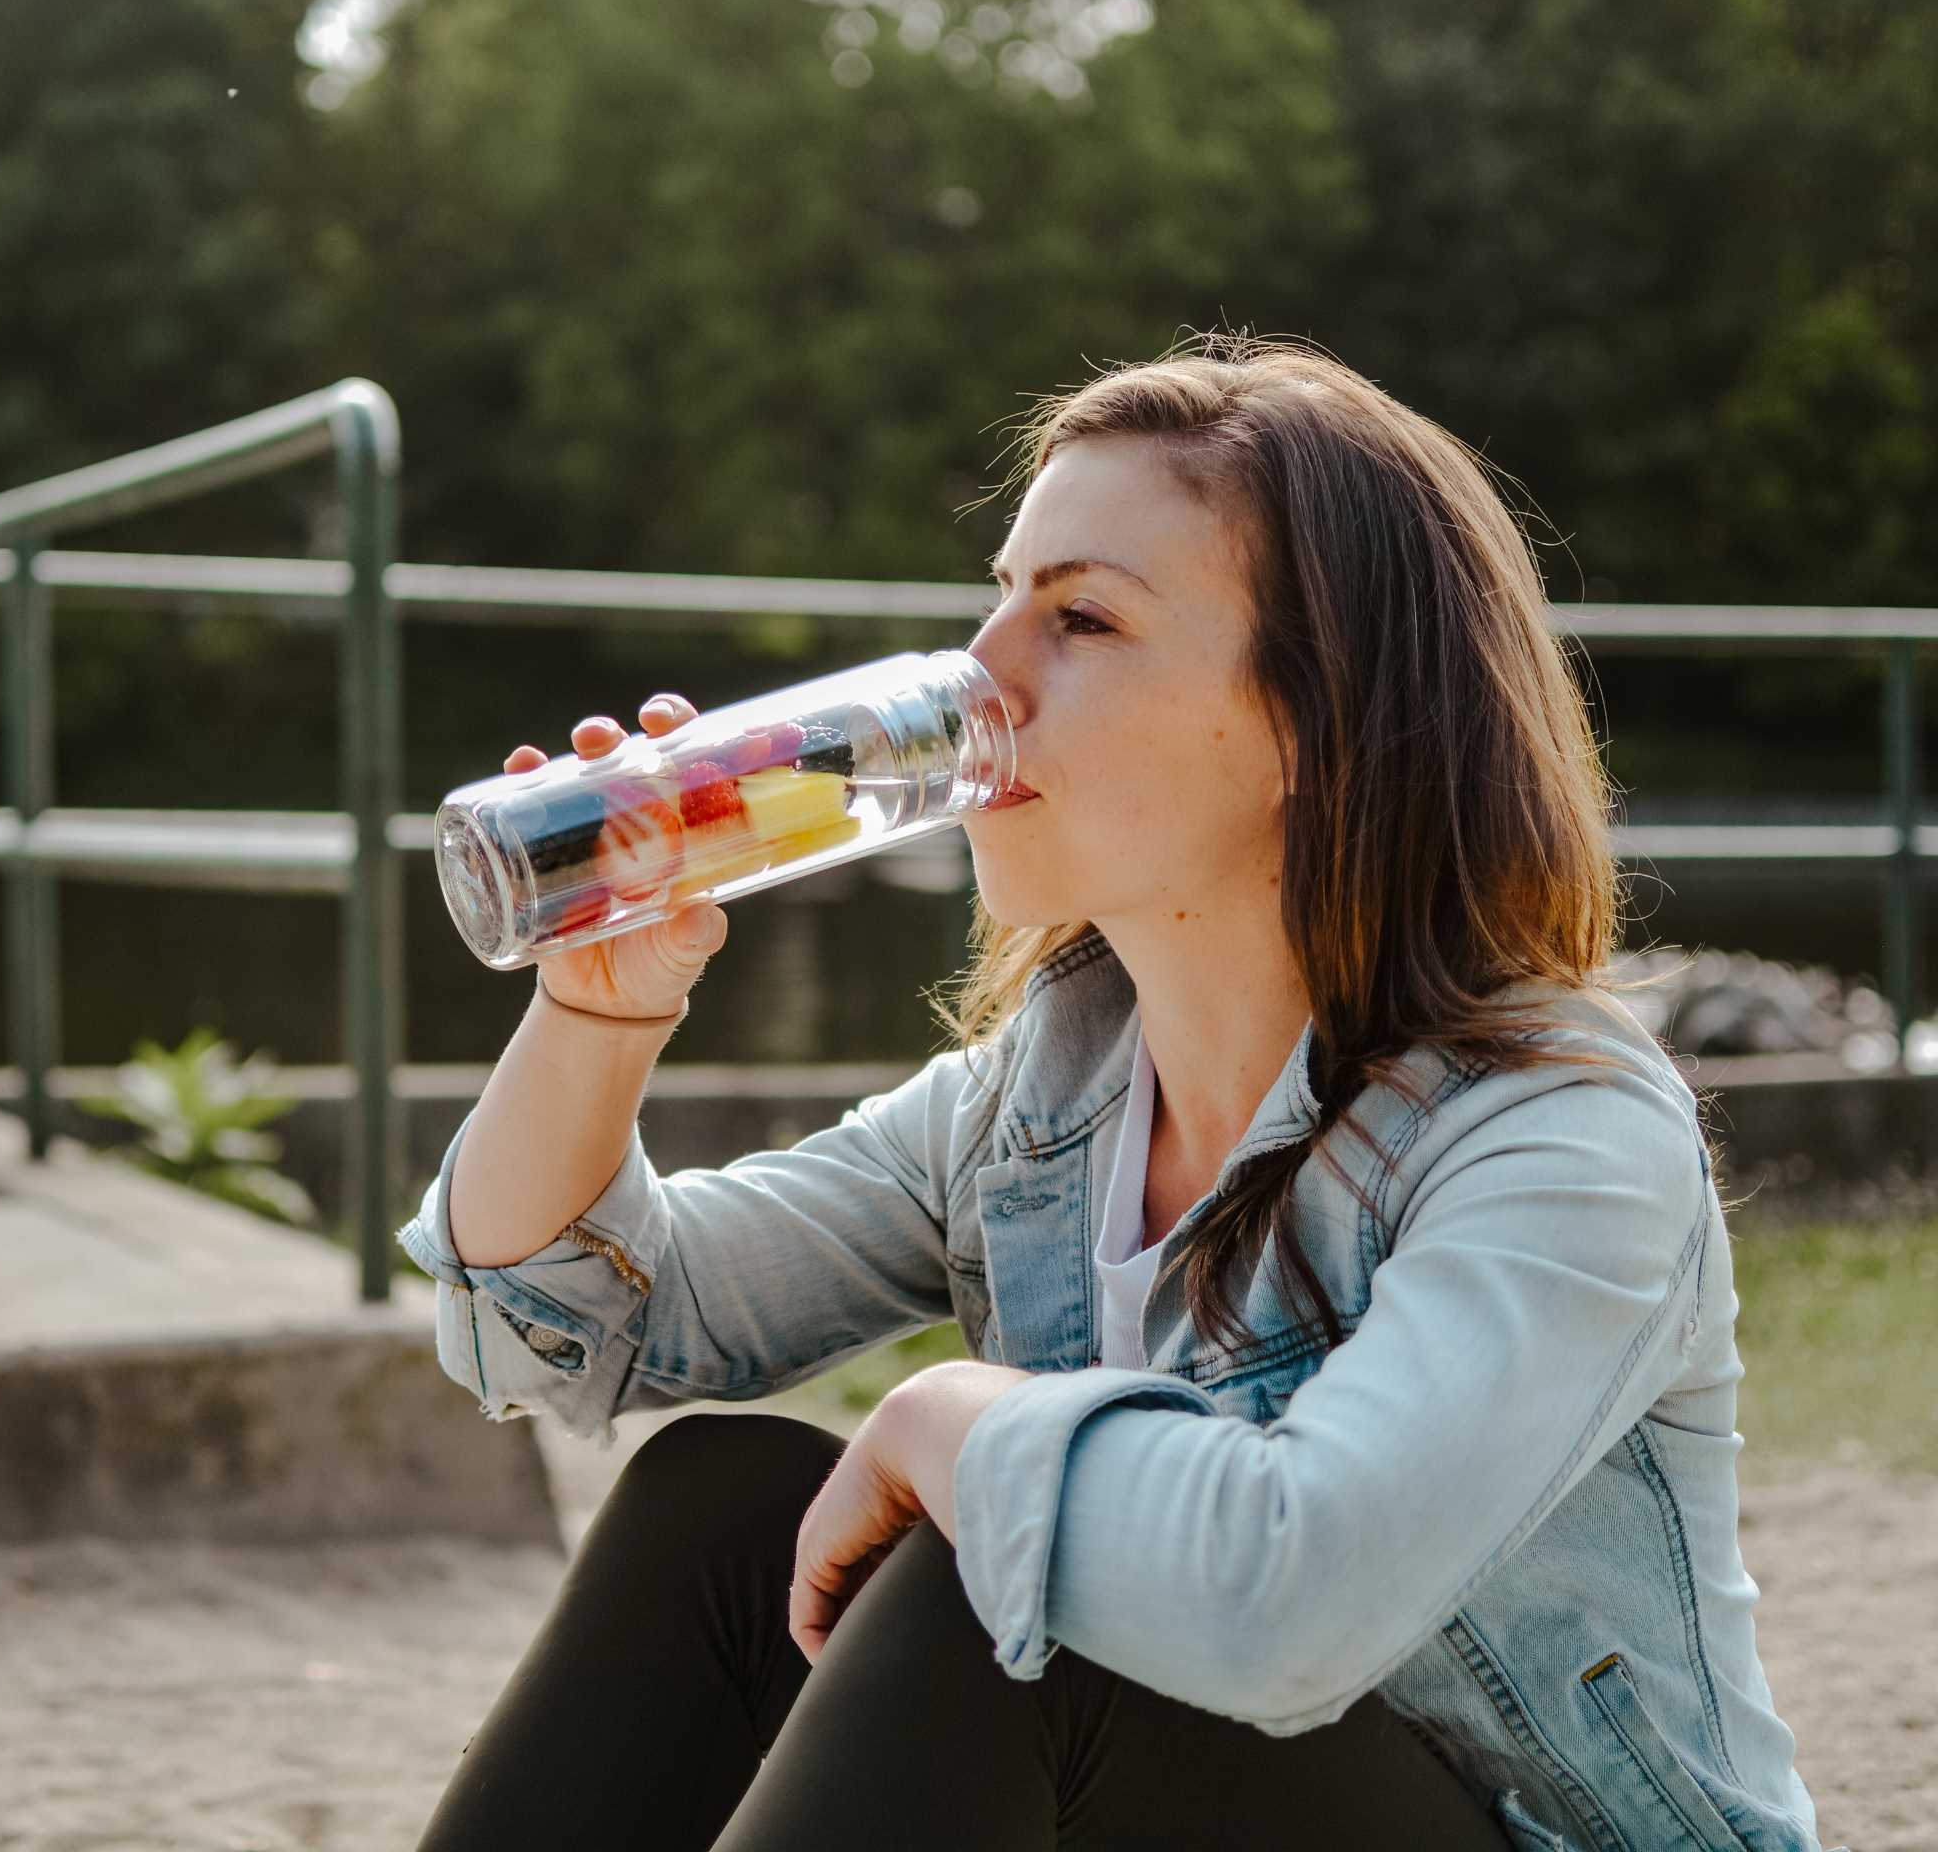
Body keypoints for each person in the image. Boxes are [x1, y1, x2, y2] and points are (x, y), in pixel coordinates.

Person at [401, 335, 1833, 1850]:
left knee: (1007, 1583)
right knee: (725, 1509)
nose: (983, 682)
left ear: (1317, 722)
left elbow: (1296, 1593)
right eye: (1001, 598)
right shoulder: (1050, 1099)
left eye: (1081, 618)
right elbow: (580, 1329)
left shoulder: (1556, 1129)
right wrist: (595, 1012)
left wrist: (956, 1419)